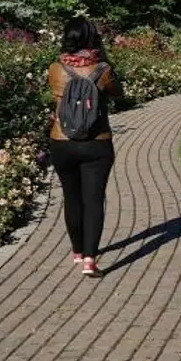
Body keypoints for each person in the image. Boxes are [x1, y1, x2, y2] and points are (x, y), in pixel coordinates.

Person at [47, 17, 122, 277]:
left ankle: (77, 252)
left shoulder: (56, 68)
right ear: (92, 38)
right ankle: (90, 260)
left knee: (72, 196)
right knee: (93, 200)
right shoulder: (102, 69)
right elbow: (118, 92)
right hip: (96, 142)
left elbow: (55, 95)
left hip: (61, 141)